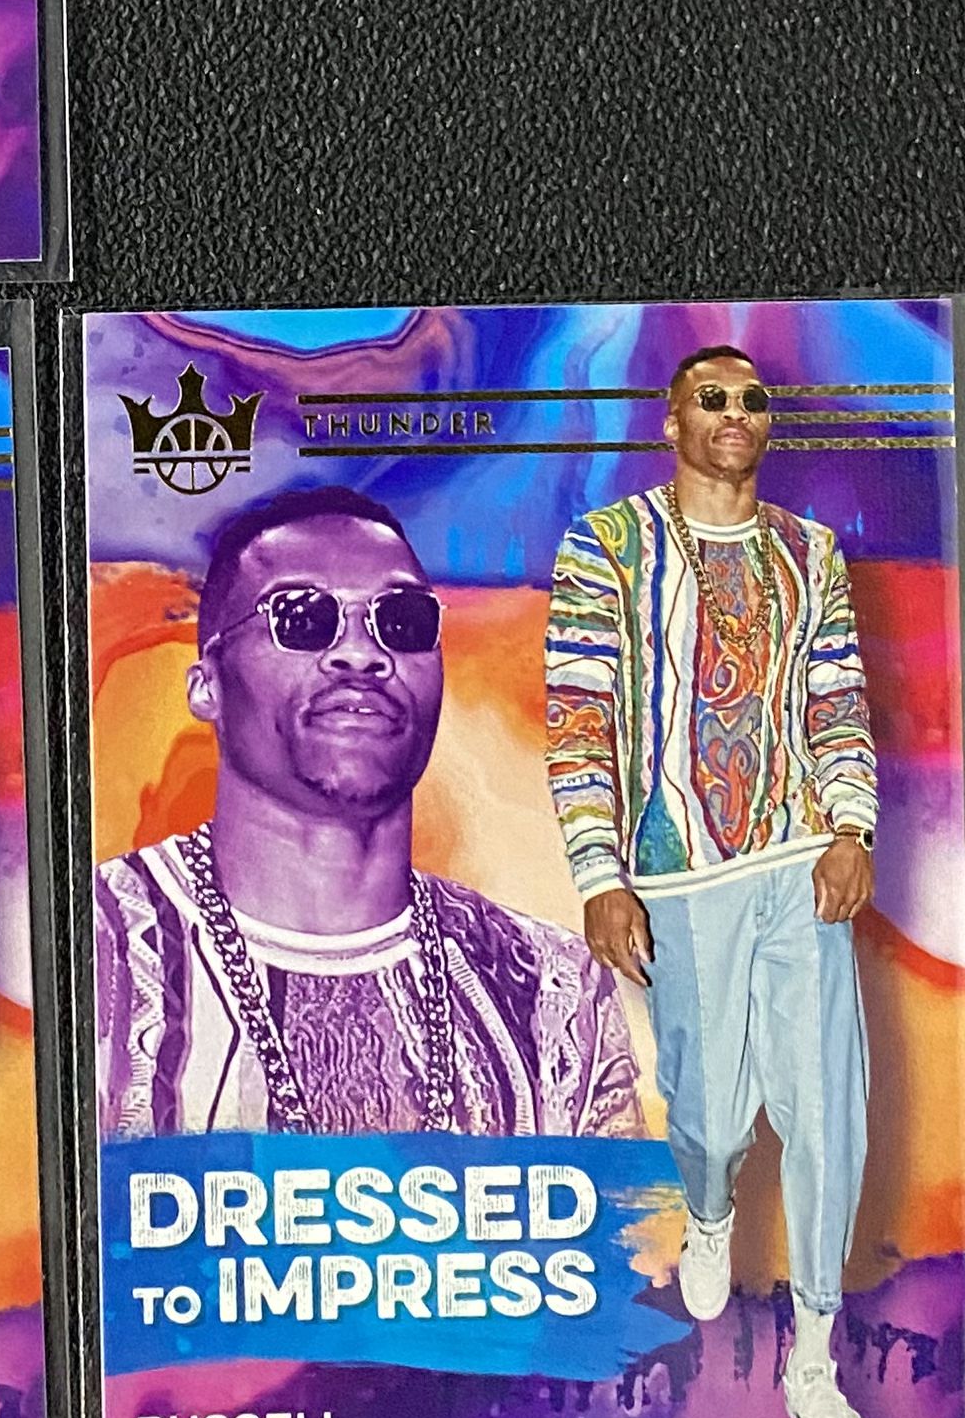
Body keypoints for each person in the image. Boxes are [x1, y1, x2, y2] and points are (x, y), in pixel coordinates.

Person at [543, 345, 886, 1418]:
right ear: (672, 418)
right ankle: (709, 1211)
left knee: (827, 1111)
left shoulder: (809, 551)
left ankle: (814, 1360)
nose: (734, 414)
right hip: (678, 871)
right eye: (712, 398)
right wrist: (599, 875)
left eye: (751, 400)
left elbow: (837, 695)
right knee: (712, 1115)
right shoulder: (608, 546)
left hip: (800, 861)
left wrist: (852, 827)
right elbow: (580, 715)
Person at [95, 485, 640, 1144]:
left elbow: (620, 1215)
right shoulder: (95, 951)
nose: (360, 654)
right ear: (206, 684)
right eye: (302, 618)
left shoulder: (557, 992)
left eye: (403, 622)